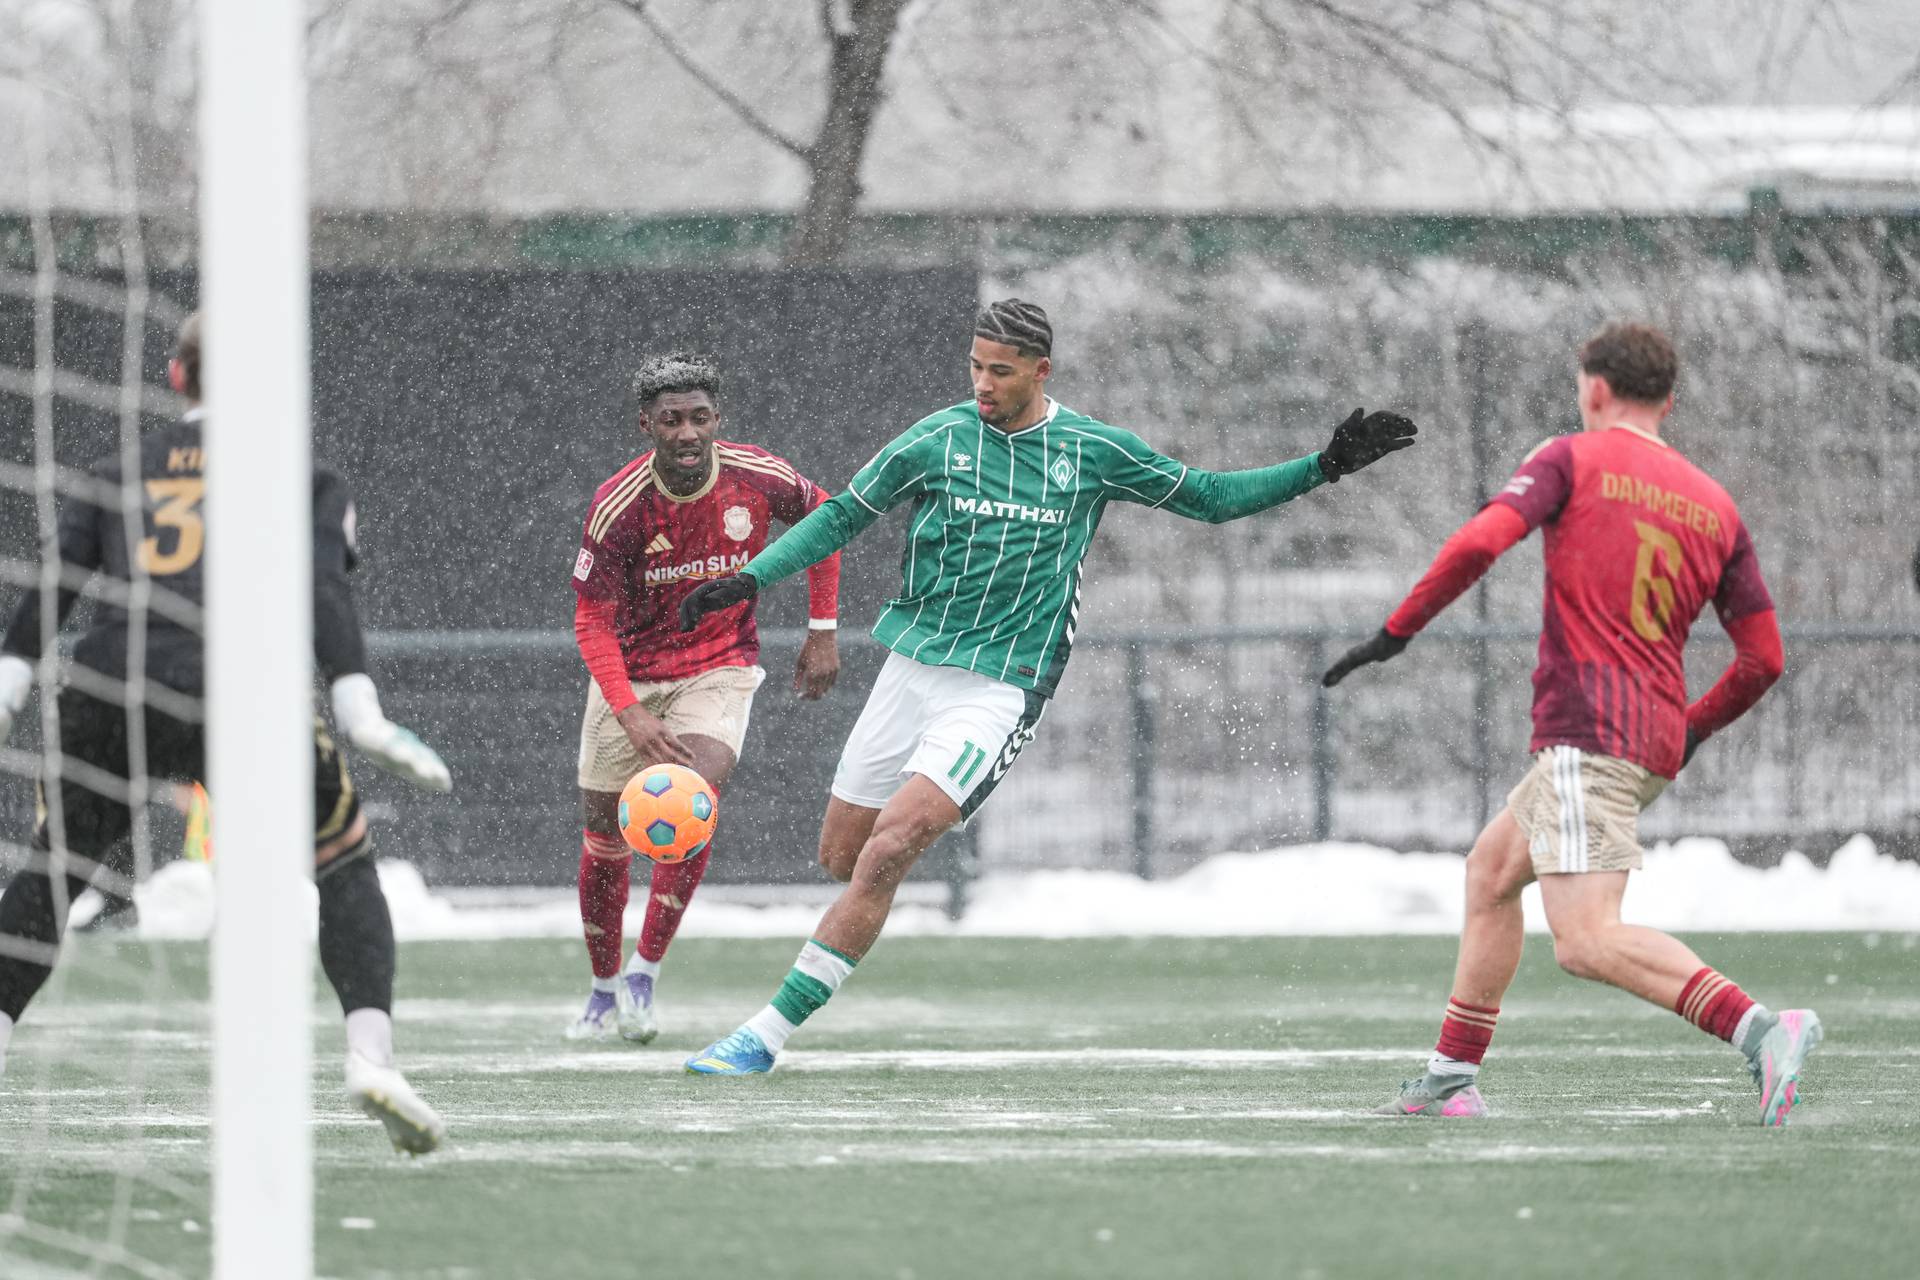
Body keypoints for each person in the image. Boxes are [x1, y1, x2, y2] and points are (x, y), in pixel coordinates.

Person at [675, 297, 1419, 1073]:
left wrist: (1323, 468)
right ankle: (880, 878)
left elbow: (1209, 499)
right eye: (975, 366)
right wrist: (750, 579)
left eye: (1000, 371)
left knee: (889, 848)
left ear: (1041, 371)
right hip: (914, 667)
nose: (982, 384)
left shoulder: (1091, 450)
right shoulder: (936, 438)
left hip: (1002, 686)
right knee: (843, 856)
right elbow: (842, 517)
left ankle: (762, 1036)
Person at [1323, 321, 1817, 1126]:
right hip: (1645, 738)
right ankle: (1451, 1077)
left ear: (1594, 389)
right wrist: (1688, 730)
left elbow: (1483, 540)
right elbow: (1763, 658)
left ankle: (1762, 1029)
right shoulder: (1714, 505)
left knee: (1585, 941)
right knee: (1491, 875)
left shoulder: (1572, 457)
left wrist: (1396, 633)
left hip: (1590, 733)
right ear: (1669, 400)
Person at [0, 312, 454, 1154]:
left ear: (178, 377)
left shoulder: (118, 470)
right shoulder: (300, 476)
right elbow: (322, 590)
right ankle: (370, 1057)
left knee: (55, 871)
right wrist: (360, 709)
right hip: (243, 689)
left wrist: (11, 680)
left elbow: (56, 584)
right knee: (343, 862)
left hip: (116, 680)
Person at [567, 353, 841, 1042]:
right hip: (630, 676)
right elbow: (591, 619)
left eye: (698, 418)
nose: (686, 432)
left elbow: (828, 520)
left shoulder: (758, 476)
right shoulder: (620, 506)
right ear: (647, 425)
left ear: (717, 420)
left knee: (689, 793)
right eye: (670, 420)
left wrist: (822, 631)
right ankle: (602, 989)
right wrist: (628, 711)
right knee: (604, 836)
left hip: (718, 665)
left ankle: (645, 972)